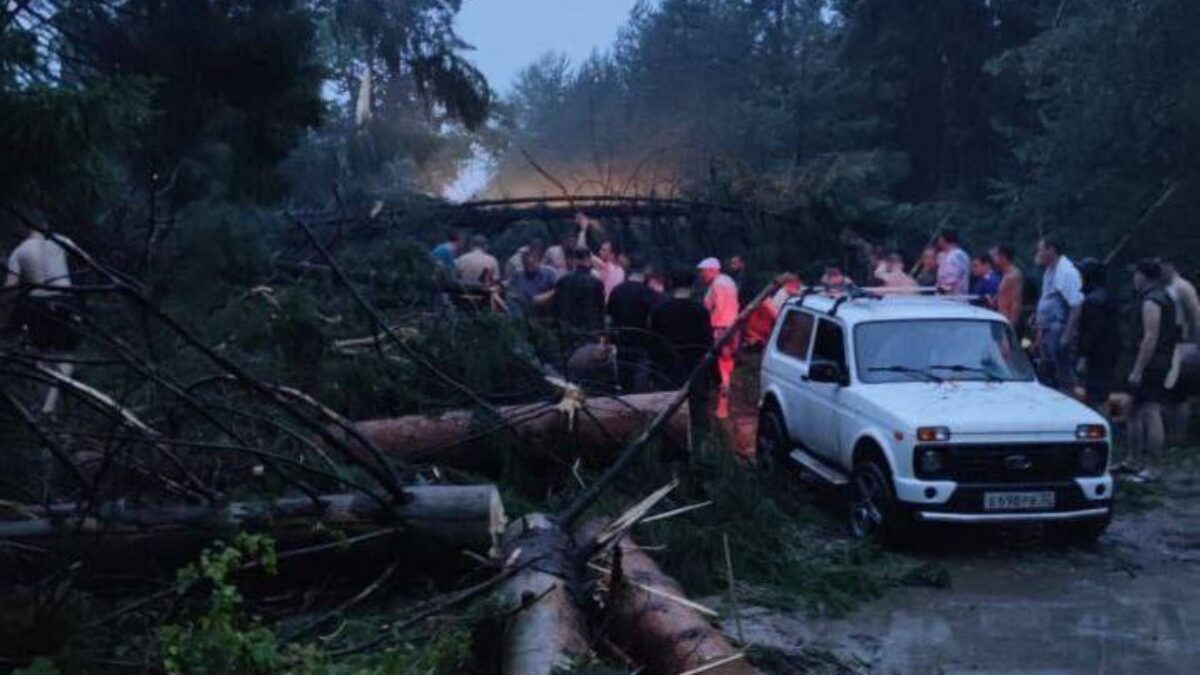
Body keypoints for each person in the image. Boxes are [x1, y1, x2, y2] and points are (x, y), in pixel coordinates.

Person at [4, 213, 82, 414]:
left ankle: (42, 405)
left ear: (25, 229)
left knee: (40, 353)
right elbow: (86, 261)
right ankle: (49, 408)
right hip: (65, 300)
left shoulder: (20, 251)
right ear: (45, 227)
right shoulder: (61, 241)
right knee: (65, 356)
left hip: (37, 305)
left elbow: (10, 288)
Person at [1125, 259, 1179, 480]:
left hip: (1153, 364)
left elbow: (1150, 338)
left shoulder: (1152, 301)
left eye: (1136, 274)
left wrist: (1138, 369)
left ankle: (1153, 468)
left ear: (1143, 276)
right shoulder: (1162, 297)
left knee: (1150, 410)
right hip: (1157, 361)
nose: (1133, 278)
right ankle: (1133, 460)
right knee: (1132, 410)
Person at [650, 270, 714, 433]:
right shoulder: (700, 311)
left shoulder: (660, 310)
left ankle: (671, 452)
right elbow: (708, 344)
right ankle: (698, 448)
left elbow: (654, 343)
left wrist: (654, 371)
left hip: (667, 370)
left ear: (672, 285)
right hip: (694, 370)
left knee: (668, 416)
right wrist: (713, 375)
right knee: (697, 415)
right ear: (692, 286)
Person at [1034, 236, 1084, 392]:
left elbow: (1076, 305)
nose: (1038, 253)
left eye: (1040, 249)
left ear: (1051, 250)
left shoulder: (1067, 272)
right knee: (1049, 371)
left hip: (1060, 329)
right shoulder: (1049, 271)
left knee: (1064, 374)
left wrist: (1066, 336)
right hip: (1047, 329)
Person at [607, 267, 665, 393]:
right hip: (641, 341)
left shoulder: (616, 290)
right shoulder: (646, 292)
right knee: (640, 377)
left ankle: (624, 396)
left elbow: (609, 312)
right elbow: (657, 313)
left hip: (620, 340)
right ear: (643, 277)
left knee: (623, 374)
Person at [1161, 258, 1200, 441]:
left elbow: (1195, 316)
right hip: (1169, 345)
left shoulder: (1183, 288)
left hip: (1183, 345)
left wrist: (1193, 342)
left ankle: (1179, 436)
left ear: (1169, 265)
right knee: (1169, 394)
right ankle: (1170, 435)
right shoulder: (1164, 287)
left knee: (1178, 393)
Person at [698, 257, 739, 419]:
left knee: (722, 368)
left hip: (720, 329)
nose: (701, 275)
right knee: (727, 366)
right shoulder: (728, 281)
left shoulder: (716, 285)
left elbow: (709, 307)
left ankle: (722, 407)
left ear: (712, 270)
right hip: (733, 327)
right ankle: (723, 403)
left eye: (703, 271)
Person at [1076, 258, 1120, 407]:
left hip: (1097, 356)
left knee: (1096, 396)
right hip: (1109, 353)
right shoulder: (1108, 296)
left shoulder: (1093, 301)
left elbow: (1092, 332)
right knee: (1101, 393)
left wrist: (1083, 355)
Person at [551, 247, 607, 343]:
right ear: (589, 260)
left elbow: (557, 307)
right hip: (589, 331)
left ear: (574, 260)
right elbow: (600, 310)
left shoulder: (563, 281)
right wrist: (601, 332)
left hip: (567, 331)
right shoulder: (596, 282)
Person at [574, 212, 625, 300]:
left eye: (604, 250)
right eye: (601, 249)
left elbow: (581, 249)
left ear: (612, 255)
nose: (600, 252)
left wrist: (584, 228)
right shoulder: (621, 270)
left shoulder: (606, 267)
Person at [508, 243, 557, 319]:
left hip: (545, 311)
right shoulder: (518, 275)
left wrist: (545, 296)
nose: (529, 268)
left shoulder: (549, 273)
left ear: (538, 261)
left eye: (532, 264)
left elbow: (558, 289)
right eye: (526, 265)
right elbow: (512, 294)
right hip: (525, 311)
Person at [991, 244, 1025, 328]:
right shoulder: (1005, 275)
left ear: (1002, 256)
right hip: (1002, 319)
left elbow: (1016, 302)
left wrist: (1012, 325)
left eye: (995, 255)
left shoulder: (1013, 275)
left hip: (1008, 322)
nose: (992, 259)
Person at [935, 229, 970, 295]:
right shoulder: (943, 255)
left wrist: (939, 291)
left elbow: (952, 283)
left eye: (940, 238)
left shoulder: (956, 256)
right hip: (944, 298)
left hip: (954, 299)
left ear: (943, 239)